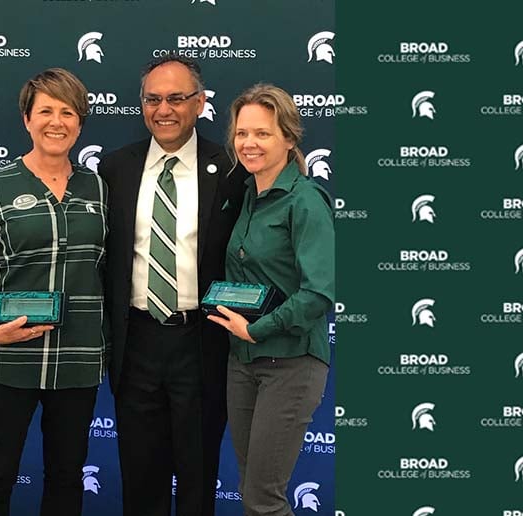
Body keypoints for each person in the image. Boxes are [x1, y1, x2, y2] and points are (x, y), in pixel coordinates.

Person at [0, 68, 107, 516]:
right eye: (46, 111)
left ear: (80, 121)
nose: (57, 122)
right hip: (7, 359)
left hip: (77, 358)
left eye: (68, 112)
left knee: (66, 476)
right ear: (26, 119)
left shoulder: (100, 189)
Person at [100, 55, 248, 516]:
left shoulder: (229, 169)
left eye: (176, 99)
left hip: (201, 342)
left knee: (198, 476)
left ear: (200, 103)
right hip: (136, 341)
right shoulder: (116, 168)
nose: (163, 109)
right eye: (153, 99)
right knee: (140, 477)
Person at [205, 83, 334, 516]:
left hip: (290, 364)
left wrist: (257, 328)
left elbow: (319, 293)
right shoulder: (245, 196)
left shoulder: (306, 201)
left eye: (262, 133)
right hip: (242, 362)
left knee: (264, 498)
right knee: (253, 491)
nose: (249, 143)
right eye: (242, 134)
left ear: (289, 138)